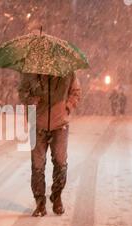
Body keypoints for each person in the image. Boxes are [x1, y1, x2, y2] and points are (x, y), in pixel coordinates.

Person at [19, 72, 81, 217]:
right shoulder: (31, 72)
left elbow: (76, 92)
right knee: (37, 165)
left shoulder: (67, 72)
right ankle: (40, 203)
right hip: (37, 124)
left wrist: (68, 106)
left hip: (60, 125)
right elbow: (22, 92)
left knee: (60, 162)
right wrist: (30, 100)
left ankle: (57, 197)